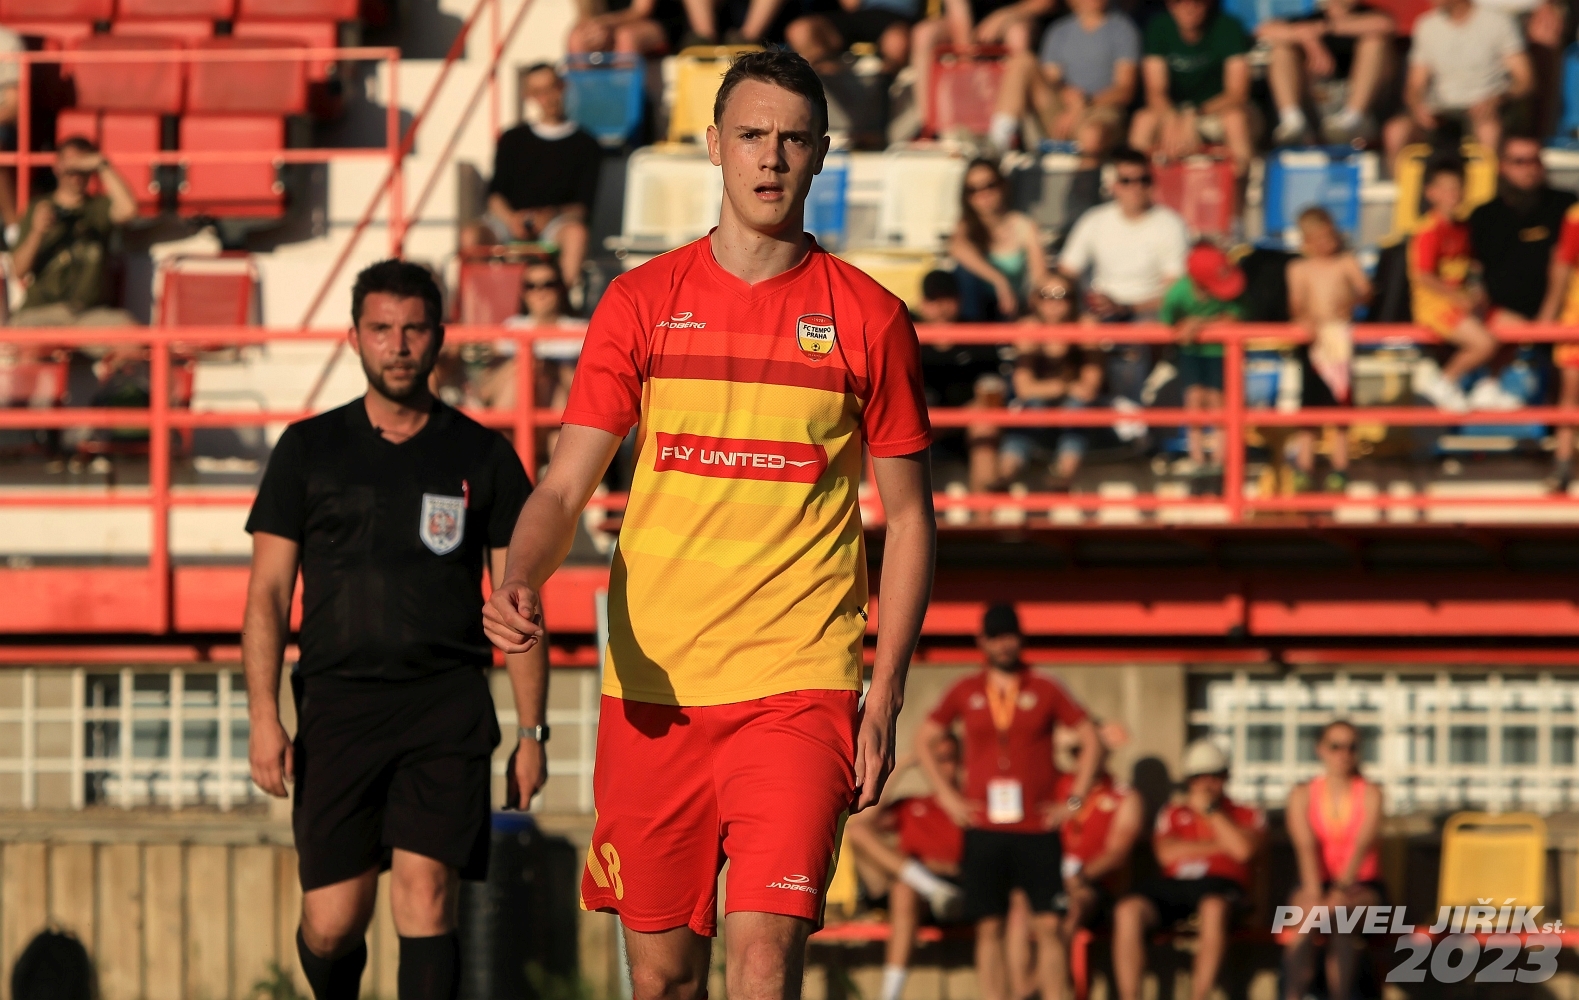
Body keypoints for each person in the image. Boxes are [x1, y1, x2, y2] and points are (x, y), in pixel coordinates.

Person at [482, 50, 937, 1000]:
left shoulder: (870, 318)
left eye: (793, 139)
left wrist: (885, 691)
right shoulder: (640, 302)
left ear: (821, 155)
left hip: (798, 684)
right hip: (653, 689)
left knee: (763, 961)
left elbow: (909, 518)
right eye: (750, 135)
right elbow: (562, 489)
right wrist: (520, 577)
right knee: (662, 981)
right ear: (712, 146)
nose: (770, 157)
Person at [243, 261, 540, 1000]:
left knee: (426, 896)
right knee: (332, 924)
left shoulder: (482, 455)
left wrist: (531, 733)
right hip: (336, 708)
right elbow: (268, 595)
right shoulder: (307, 450)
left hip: (444, 706)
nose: (397, 345)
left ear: (439, 337)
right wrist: (263, 716)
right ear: (354, 337)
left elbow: (519, 604)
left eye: (413, 329)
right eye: (381, 329)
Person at [916, 603, 1105, 1000]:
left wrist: (1073, 801)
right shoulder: (966, 689)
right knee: (989, 926)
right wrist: (948, 797)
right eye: (996, 637)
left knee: (1049, 925)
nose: (1004, 645)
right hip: (984, 827)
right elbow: (924, 738)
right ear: (982, 642)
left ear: (1021, 639)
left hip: (1037, 828)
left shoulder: (1045, 687)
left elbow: (1091, 739)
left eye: (1010, 636)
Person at [1112, 740, 1265, 1000]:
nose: (1206, 785)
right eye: (1198, 778)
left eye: (1214, 776)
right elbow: (1165, 854)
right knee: (1127, 909)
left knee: (1213, 907)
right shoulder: (1173, 812)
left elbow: (1242, 851)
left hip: (1222, 886)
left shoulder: (1246, 813)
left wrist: (1212, 812)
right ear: (1188, 781)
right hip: (1176, 886)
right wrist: (1220, 846)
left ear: (1226, 777)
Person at [844, 736, 967, 1000]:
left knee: (904, 888)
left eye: (948, 759)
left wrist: (942, 867)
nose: (942, 767)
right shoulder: (913, 805)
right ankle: (930, 887)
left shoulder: (969, 806)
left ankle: (889, 996)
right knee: (860, 835)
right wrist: (902, 766)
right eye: (936, 760)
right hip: (913, 894)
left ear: (961, 762)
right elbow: (862, 820)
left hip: (958, 890)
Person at [464, 65, 601, 299]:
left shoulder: (586, 144)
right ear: (528, 96)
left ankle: (560, 304)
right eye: (539, 91)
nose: (548, 97)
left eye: (552, 88)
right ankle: (482, 306)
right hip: (509, 222)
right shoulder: (512, 138)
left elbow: (582, 206)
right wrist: (512, 219)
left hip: (555, 224)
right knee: (472, 236)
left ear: (563, 87)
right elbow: (495, 195)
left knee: (577, 234)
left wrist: (549, 215)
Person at [1281, 721, 1385, 1000]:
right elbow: (1305, 847)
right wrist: (1315, 892)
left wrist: (1338, 891)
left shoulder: (1371, 793)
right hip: (1317, 882)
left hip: (1360, 885)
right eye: (1336, 746)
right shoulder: (1302, 794)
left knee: (1342, 917)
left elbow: (1361, 847)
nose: (1344, 754)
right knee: (1305, 917)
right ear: (1321, 749)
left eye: (1352, 747)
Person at [1408, 158, 1522, 412]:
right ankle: (1444, 382)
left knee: (1519, 329)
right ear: (1431, 193)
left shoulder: (1462, 228)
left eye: (1457, 188)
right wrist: (1457, 297)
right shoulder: (1428, 229)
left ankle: (1489, 386)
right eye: (1446, 189)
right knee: (1484, 344)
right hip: (1435, 307)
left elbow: (1471, 268)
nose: (1453, 194)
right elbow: (1423, 275)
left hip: (1464, 303)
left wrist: (1477, 290)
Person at [1383, 0, 1531, 171]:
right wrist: (1418, 106)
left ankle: (1487, 184)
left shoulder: (1497, 22)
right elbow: (1415, 84)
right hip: (1440, 110)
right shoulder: (1427, 26)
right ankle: (1402, 186)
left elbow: (1525, 80)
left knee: (1488, 129)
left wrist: (1497, 98)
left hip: (1485, 108)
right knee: (1395, 131)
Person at [9, 137, 137, 327]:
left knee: (130, 337)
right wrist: (37, 232)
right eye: (70, 166)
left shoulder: (99, 207)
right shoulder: (38, 207)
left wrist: (102, 165)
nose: (76, 173)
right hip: (41, 311)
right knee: (21, 342)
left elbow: (128, 210)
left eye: (83, 167)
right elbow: (18, 271)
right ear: (57, 167)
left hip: (89, 314)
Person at [1286, 207, 1370, 493]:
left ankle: (1340, 465)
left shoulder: (1346, 263)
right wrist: (1304, 320)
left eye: (1330, 236)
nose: (1326, 243)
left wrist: (1351, 303)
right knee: (1309, 405)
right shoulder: (1299, 268)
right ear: (1307, 240)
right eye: (1320, 238)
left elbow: (1365, 290)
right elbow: (1296, 303)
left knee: (1340, 404)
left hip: (1338, 341)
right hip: (1313, 343)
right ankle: (1304, 464)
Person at [987, 0, 1139, 158]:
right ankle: (997, 146)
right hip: (1062, 107)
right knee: (1022, 61)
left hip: (1100, 109)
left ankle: (1082, 168)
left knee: (1093, 135)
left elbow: (1125, 89)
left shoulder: (1123, 29)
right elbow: (1052, 78)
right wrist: (1067, 95)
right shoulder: (1059, 31)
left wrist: (1085, 103)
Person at [998, 273, 1104, 489]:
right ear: (1035, 300)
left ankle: (1063, 476)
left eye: (1062, 295)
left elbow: (1089, 389)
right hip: (1039, 412)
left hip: (1076, 413)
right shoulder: (1029, 328)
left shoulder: (1085, 326)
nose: (1054, 303)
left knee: (1076, 409)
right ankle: (1005, 475)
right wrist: (1064, 386)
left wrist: (1052, 388)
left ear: (1073, 300)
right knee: (1030, 409)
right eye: (1046, 296)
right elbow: (1023, 389)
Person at [482, 260, 590, 465]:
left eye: (548, 284)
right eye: (531, 286)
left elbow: (591, 392)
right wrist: (524, 366)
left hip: (560, 414)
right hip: (517, 412)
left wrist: (550, 370)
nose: (540, 292)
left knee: (552, 385)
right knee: (520, 375)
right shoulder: (510, 329)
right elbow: (487, 390)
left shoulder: (581, 331)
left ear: (561, 288)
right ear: (523, 292)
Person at [1130, 0, 1253, 176]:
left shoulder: (1228, 26)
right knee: (1143, 120)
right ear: (1170, 5)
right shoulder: (1159, 27)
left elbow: (1237, 93)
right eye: (1179, 2)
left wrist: (1194, 114)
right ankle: (1132, 181)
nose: (1188, 8)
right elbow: (1155, 90)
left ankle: (1240, 183)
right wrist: (1172, 118)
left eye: (1197, 2)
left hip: (1216, 109)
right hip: (1174, 111)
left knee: (1235, 120)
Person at [1469, 134, 1575, 323]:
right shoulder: (1484, 216)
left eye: (1535, 160)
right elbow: (1475, 271)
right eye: (1520, 162)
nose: (1529, 169)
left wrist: (1545, 321)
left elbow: (1563, 263)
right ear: (1502, 166)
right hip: (1500, 320)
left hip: (1558, 319)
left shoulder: (1565, 206)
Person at [909, 0, 1057, 137]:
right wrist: (968, 69)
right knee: (923, 34)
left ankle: (1013, 131)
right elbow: (959, 14)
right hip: (971, 28)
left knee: (1018, 32)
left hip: (1016, 17)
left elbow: (1045, 3)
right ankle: (928, 127)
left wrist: (1004, 15)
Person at [1256, 0, 1394, 146]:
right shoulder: (1309, 19)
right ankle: (1292, 120)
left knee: (1375, 42)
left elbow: (1385, 24)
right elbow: (1263, 30)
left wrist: (1327, 27)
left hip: (1367, 108)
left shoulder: (1372, 15)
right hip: (1316, 101)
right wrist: (1308, 40)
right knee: (1282, 50)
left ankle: (1353, 118)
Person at [1161, 243, 1246, 473]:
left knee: (1219, 402)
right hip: (1191, 353)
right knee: (1194, 399)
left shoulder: (1230, 287)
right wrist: (1182, 328)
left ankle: (1221, 459)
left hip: (1221, 353)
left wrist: (1199, 324)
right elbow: (1167, 323)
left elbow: (1235, 318)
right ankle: (1197, 458)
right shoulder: (1179, 292)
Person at [1053, 754, 1144, 942]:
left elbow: (1118, 853)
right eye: (1076, 751)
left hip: (1092, 884)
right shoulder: (1056, 785)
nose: (1085, 758)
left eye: (1092, 752)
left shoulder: (1123, 795)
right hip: (1048, 876)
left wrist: (1078, 877)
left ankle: (1057, 960)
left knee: (1072, 907)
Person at [950, 159, 1048, 322]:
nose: (983, 194)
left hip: (1012, 308)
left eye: (989, 185)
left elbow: (1040, 278)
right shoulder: (965, 227)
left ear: (1003, 186)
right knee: (964, 272)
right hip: (974, 309)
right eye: (973, 190)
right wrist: (999, 280)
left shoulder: (1024, 226)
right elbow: (957, 249)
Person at [1535, 200, 1579, 490]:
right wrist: (1549, 314)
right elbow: (1563, 263)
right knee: (1570, 394)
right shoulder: (1576, 217)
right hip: (1575, 317)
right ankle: (1563, 466)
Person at [786, 0, 919, 74]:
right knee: (800, 30)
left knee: (897, 42)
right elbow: (851, 5)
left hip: (900, 18)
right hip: (861, 14)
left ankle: (879, 89)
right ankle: (828, 77)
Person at [568, 0, 693, 56]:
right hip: (611, 23)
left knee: (626, 37)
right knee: (577, 39)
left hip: (660, 19)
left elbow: (641, 10)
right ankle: (585, 97)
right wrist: (594, 30)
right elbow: (585, 14)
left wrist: (605, 23)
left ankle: (623, 96)